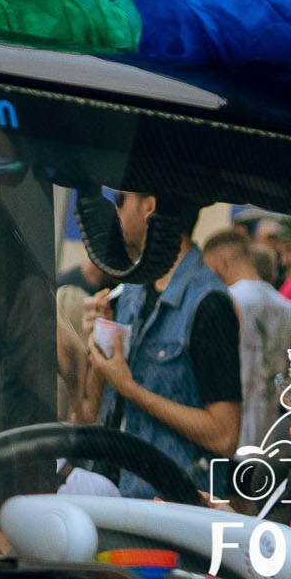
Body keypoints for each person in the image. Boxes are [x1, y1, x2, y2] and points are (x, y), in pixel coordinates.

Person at [78, 189, 241, 498]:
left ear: (148, 206)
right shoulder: (132, 289)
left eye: (121, 200)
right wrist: (101, 342)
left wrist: (131, 389)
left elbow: (224, 435)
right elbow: (94, 410)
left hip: (167, 506)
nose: (117, 212)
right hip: (110, 490)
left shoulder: (209, 302)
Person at [200, 225, 291, 451]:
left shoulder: (222, 302)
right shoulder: (288, 309)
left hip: (227, 434)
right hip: (267, 438)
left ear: (221, 264)